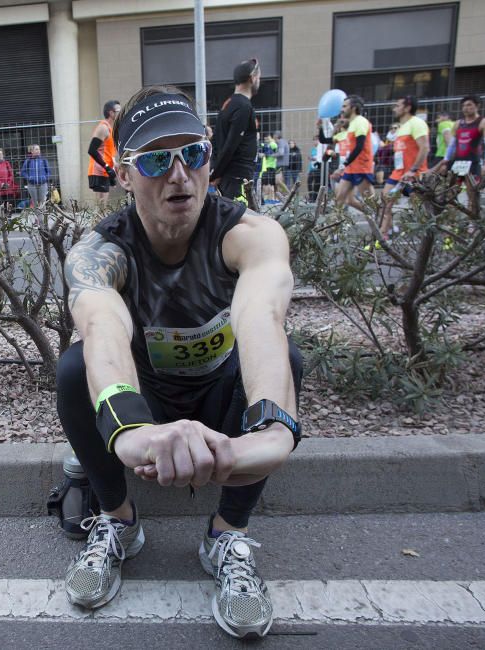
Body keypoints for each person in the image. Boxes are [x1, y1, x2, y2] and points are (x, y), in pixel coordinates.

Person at [58, 86, 303, 639]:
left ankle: (225, 536)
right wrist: (132, 436)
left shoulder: (250, 235)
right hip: (149, 400)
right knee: (75, 369)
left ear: (209, 158)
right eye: (153, 160)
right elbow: (101, 329)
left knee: (287, 358)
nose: (178, 176)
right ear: (124, 175)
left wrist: (266, 434)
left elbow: (262, 319)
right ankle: (119, 523)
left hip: (220, 394)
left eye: (191, 153)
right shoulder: (99, 253)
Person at [379, 96, 429, 242]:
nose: (394, 108)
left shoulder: (417, 123)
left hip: (415, 175)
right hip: (398, 174)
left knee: (420, 209)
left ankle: (430, 238)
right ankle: (383, 236)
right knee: (385, 202)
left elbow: (424, 148)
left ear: (407, 108)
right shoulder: (401, 128)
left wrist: (413, 170)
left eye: (398, 105)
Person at [210, 59, 260, 204]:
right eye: (258, 77)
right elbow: (231, 144)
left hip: (230, 177)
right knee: (240, 220)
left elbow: (218, 140)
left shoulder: (228, 103)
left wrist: (216, 171)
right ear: (252, 78)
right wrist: (216, 174)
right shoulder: (243, 106)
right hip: (238, 178)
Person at [434, 96, 485, 188]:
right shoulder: (458, 123)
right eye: (463, 106)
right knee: (449, 192)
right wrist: (445, 162)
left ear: (477, 106)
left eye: (469, 105)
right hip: (457, 162)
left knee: (473, 194)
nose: (466, 108)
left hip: (473, 162)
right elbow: (452, 145)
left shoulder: (484, 122)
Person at [330, 95, 375, 213]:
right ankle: (333, 228)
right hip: (351, 168)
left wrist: (344, 164)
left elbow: (359, 146)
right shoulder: (353, 123)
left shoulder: (361, 122)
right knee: (340, 199)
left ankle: (384, 224)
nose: (342, 109)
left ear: (354, 108)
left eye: (345, 106)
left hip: (361, 167)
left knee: (371, 202)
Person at [87, 100, 121, 209]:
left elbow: (108, 152)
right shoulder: (103, 128)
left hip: (105, 171)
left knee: (103, 208)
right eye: (118, 111)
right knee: (101, 208)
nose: (120, 113)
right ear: (111, 113)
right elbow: (92, 150)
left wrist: (113, 165)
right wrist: (106, 167)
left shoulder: (110, 129)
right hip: (99, 171)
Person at [21, 144, 51, 209]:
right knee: (35, 203)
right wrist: (29, 178)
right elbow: (23, 172)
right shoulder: (28, 161)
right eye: (36, 149)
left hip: (43, 184)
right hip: (32, 185)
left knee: (42, 202)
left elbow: (48, 171)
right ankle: (38, 218)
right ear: (32, 151)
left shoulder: (43, 160)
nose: (38, 151)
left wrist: (45, 178)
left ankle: (43, 218)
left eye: (39, 149)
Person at [258, 133, 278, 204]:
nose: (266, 140)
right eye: (265, 139)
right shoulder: (265, 144)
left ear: (270, 137)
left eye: (267, 138)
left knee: (270, 184)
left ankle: (271, 198)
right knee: (266, 184)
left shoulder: (273, 144)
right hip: (266, 167)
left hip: (271, 166)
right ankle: (269, 198)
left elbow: (274, 153)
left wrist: (264, 154)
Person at [271, 131, 290, 197]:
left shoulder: (281, 142)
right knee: (280, 181)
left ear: (276, 136)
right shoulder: (283, 141)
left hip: (281, 164)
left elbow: (281, 153)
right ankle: (284, 195)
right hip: (282, 164)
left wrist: (271, 155)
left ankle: (288, 194)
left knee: (278, 181)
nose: (273, 137)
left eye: (273, 136)